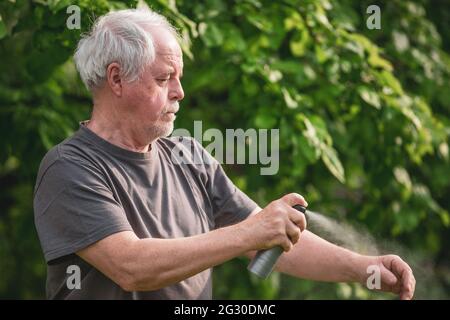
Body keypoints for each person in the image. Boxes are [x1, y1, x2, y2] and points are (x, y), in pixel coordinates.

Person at [33, 8, 415, 300]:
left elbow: (269, 243)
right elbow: (132, 266)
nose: (180, 92)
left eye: (179, 78)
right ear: (116, 79)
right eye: (164, 78)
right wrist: (250, 232)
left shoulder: (188, 155)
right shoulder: (70, 169)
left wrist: (364, 267)